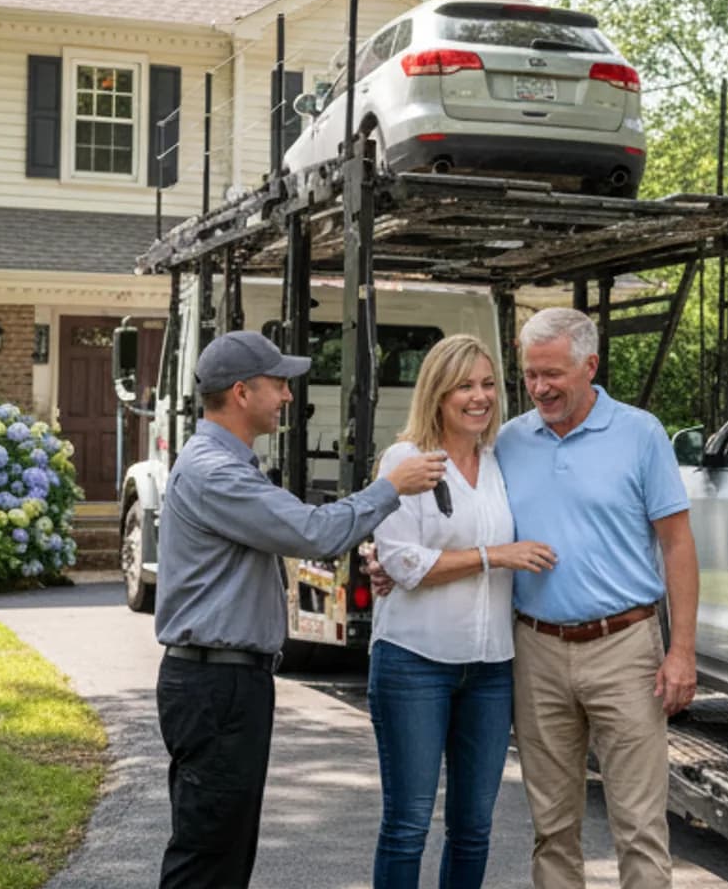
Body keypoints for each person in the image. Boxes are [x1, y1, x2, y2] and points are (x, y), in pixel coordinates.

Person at [154, 330, 446, 889]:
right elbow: (312, 533)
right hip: (217, 687)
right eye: (279, 384)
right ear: (242, 392)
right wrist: (390, 487)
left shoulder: (218, 463)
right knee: (207, 851)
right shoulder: (216, 473)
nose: (289, 396)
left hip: (224, 683)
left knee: (224, 848)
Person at [498, 307, 698, 889]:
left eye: (553, 373)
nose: (540, 387)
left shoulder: (640, 433)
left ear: (590, 365)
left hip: (626, 648)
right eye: (531, 374)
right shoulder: (511, 440)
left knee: (639, 826)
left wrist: (681, 650)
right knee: (551, 829)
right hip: (536, 647)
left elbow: (678, 547)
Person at [366, 334, 557, 888]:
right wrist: (494, 556)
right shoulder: (408, 461)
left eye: (488, 384)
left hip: (492, 668)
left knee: (474, 828)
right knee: (407, 824)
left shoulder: (501, 463)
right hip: (414, 663)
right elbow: (402, 564)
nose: (480, 397)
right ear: (437, 394)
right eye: (464, 386)